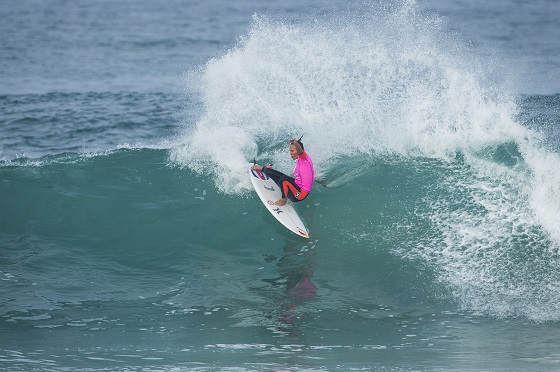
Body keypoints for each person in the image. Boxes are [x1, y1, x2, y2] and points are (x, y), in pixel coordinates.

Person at [252, 137, 314, 206]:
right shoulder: (300, 160)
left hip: (300, 195)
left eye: (292, 151)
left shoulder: (304, 158)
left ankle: (283, 199)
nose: (290, 153)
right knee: (276, 174)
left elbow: (300, 152)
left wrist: (296, 143)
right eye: (290, 151)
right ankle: (264, 169)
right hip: (296, 186)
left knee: (284, 178)